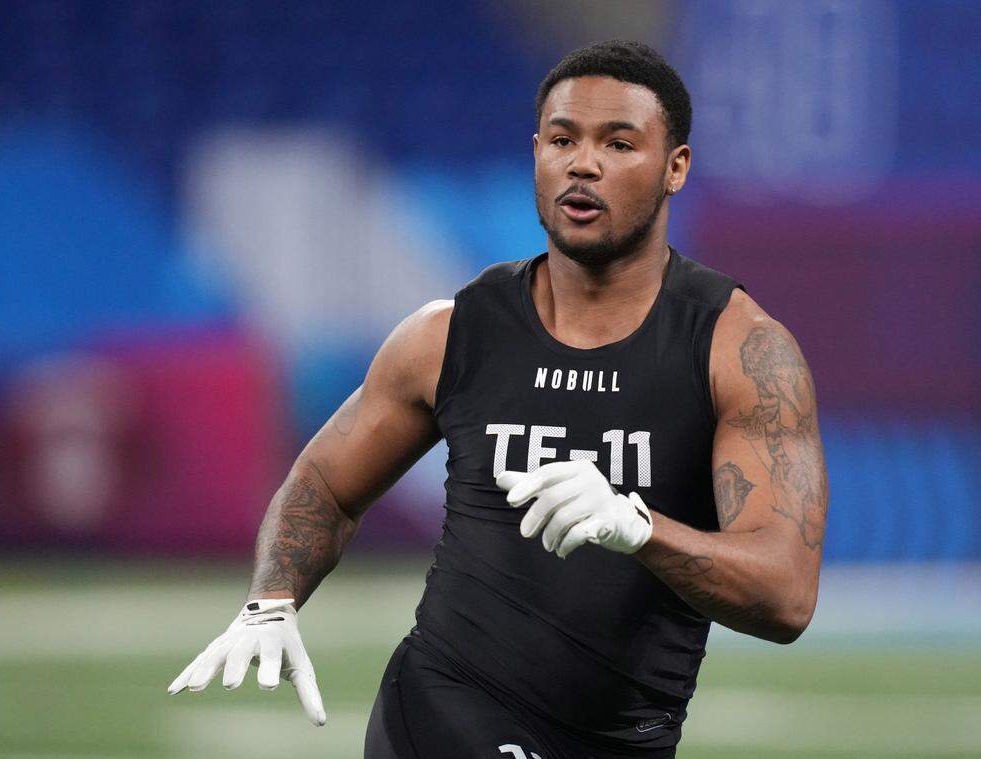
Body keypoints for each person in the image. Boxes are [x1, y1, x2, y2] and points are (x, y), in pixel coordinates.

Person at [168, 39, 828, 758]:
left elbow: (786, 593)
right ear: (536, 153)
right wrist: (272, 598)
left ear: (677, 168)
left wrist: (639, 528)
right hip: (443, 706)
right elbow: (325, 484)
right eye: (563, 139)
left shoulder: (740, 351)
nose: (583, 163)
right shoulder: (451, 334)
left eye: (619, 143)